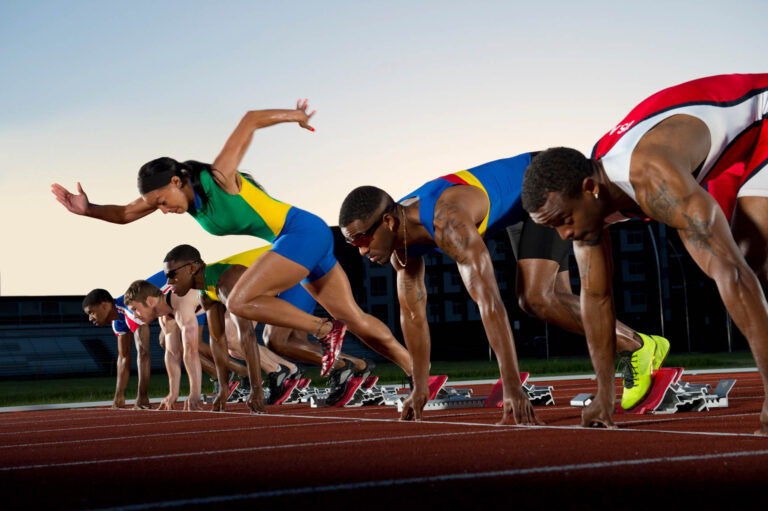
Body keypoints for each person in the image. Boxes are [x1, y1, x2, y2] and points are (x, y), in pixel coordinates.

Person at [51, 100, 411, 380]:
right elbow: (126, 214)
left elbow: (251, 118)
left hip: (301, 232)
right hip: (299, 240)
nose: (161, 210)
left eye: (162, 202)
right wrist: (88, 209)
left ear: (177, 181)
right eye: (155, 205)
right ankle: (420, 372)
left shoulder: (217, 177)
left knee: (239, 300)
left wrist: (296, 115)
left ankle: (326, 330)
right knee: (357, 319)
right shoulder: (177, 200)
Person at [520, 73, 768, 434]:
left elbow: (732, 272)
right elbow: (597, 299)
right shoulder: (589, 200)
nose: (565, 234)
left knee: (749, 256)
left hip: (760, 117)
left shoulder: (655, 179)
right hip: (716, 155)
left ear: (591, 189)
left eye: (564, 220)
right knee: (731, 261)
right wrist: (605, 396)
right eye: (553, 227)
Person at [339, 155, 667, 423]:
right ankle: (641, 344)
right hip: (517, 210)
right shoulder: (402, 250)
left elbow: (489, 303)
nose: (362, 252)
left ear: (389, 222)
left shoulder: (447, 222)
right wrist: (420, 387)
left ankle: (635, 346)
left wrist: (512, 385)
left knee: (536, 297)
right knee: (549, 297)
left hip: (545, 186)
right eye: (352, 244)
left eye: (362, 240)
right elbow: (412, 313)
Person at [164, 243, 375, 406]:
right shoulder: (206, 294)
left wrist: (256, 388)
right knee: (284, 341)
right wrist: (223, 389)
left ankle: (343, 366)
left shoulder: (225, 283)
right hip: (285, 275)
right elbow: (217, 341)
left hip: (300, 269)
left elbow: (247, 337)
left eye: (171, 275)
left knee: (275, 341)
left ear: (192, 268)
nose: (169, 282)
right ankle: (357, 366)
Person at [124, 280, 204, 411]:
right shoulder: (164, 317)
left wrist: (194, 395)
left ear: (150, 301)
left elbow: (191, 351)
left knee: (233, 343)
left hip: (232, 290)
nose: (134, 316)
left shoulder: (180, 303)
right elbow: (172, 353)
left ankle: (245, 380)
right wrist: (173, 394)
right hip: (216, 303)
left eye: (135, 309)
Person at [82, 288, 152, 410]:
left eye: (91, 312)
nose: (90, 319)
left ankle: (143, 396)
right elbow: (123, 357)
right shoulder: (117, 322)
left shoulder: (130, 308)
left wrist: (142, 397)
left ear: (104, 306)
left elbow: (143, 352)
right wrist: (118, 395)